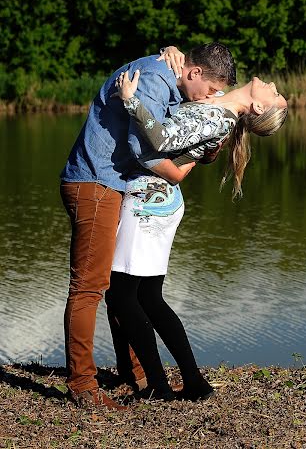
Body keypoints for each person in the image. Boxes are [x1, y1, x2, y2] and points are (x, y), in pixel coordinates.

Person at [59, 42, 236, 409]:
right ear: (195, 72)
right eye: (210, 90)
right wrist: (182, 166)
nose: (209, 99)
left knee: (115, 286)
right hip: (97, 183)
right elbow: (145, 147)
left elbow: (167, 134)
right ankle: (83, 387)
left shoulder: (169, 79)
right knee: (89, 288)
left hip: (114, 184)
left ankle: (135, 374)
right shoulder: (155, 80)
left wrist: (201, 149)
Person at [104, 68, 288, 401]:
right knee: (147, 298)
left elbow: (160, 140)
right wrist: (173, 53)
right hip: (156, 200)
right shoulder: (219, 102)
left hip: (150, 202)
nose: (274, 86)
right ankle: (193, 382)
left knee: (122, 297)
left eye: (275, 96)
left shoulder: (218, 119)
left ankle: (160, 386)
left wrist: (132, 102)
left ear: (259, 109)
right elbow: (191, 82)